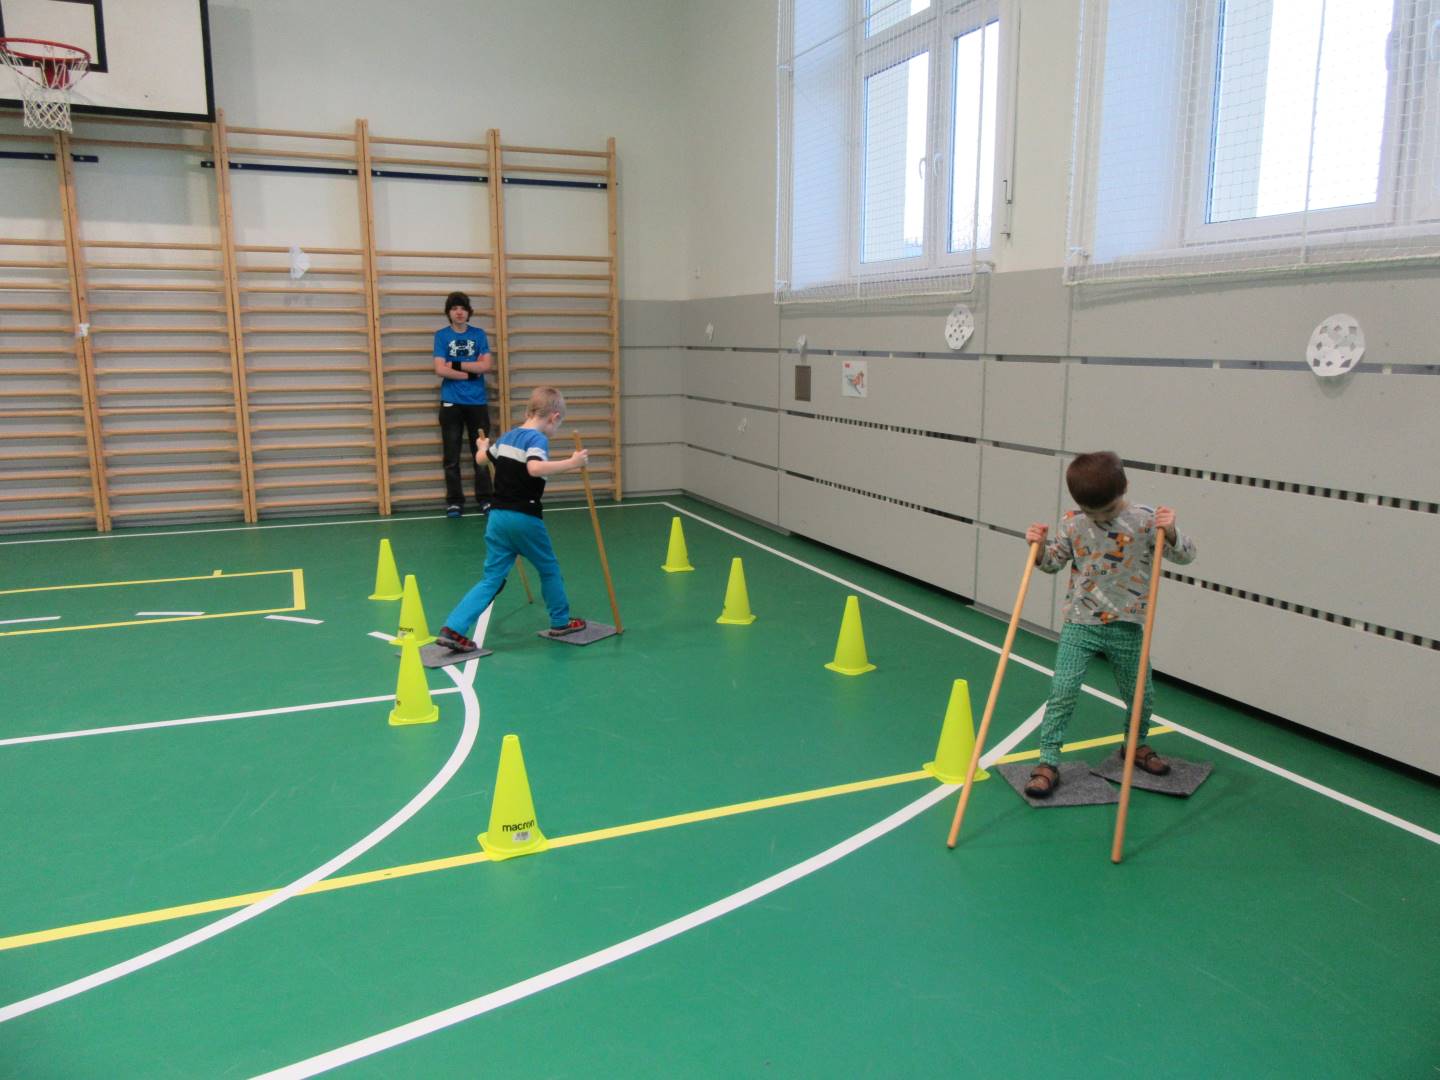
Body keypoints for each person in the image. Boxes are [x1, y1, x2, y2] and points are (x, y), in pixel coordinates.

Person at [1021, 451, 1197, 798]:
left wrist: (1172, 531)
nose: (1100, 518)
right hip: (1080, 623)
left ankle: (1135, 746)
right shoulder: (1073, 523)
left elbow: (1186, 555)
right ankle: (1047, 760)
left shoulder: (1147, 521)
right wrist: (1038, 548)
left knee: (1141, 695)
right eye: (1092, 513)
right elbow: (1053, 562)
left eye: (1107, 511)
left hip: (1127, 625)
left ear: (1124, 487)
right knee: (1062, 691)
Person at [436, 387, 590, 650]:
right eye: (559, 423)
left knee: (491, 579)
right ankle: (560, 621)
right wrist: (572, 463)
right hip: (524, 518)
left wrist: (483, 447)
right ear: (553, 417)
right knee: (549, 569)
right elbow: (535, 468)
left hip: (497, 518)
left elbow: (481, 460)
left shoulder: (507, 437)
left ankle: (453, 628)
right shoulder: (537, 439)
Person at [434, 291, 495, 518]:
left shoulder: (479, 335)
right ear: (449, 313)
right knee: (451, 457)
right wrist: (471, 371)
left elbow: (486, 366)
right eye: (454, 308)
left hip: (477, 402)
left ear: (469, 312)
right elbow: (440, 369)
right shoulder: (441, 336)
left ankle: (486, 498)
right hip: (451, 403)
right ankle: (454, 501)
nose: (459, 312)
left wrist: (455, 364)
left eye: (463, 308)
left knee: (481, 453)